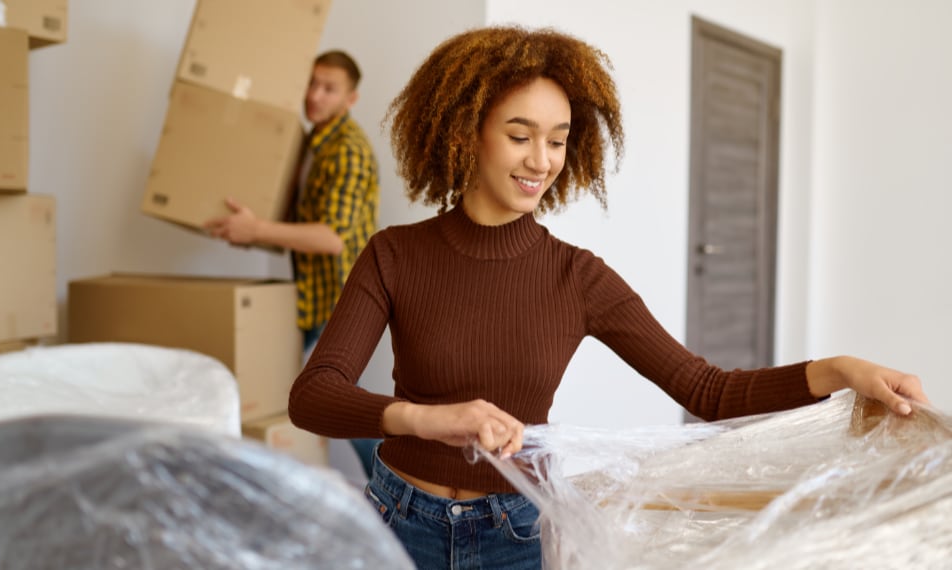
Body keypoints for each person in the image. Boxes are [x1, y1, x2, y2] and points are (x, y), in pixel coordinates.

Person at [288, 26, 929, 569]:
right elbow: (312, 396)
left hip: (516, 533)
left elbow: (710, 391)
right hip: (398, 523)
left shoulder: (578, 278)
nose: (541, 160)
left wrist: (841, 370)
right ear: (465, 131)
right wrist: (427, 417)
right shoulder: (396, 253)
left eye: (559, 139)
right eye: (519, 135)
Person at [204, 50, 380, 478]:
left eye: (329, 88)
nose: (314, 95)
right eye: (311, 83)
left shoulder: (347, 150)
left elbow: (331, 238)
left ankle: (393, 491)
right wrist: (249, 229)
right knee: (316, 399)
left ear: (351, 98)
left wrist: (258, 230)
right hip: (311, 297)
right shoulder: (311, 143)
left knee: (337, 403)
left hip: (341, 299)